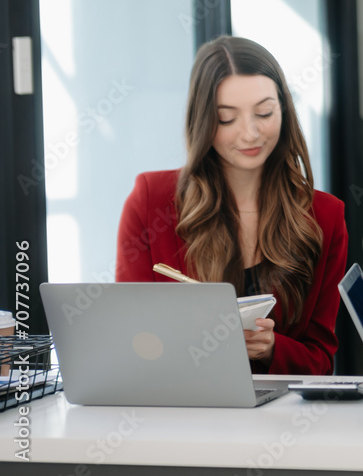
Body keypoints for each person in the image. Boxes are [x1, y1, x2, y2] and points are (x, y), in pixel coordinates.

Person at [116, 36, 347, 376]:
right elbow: (128, 337)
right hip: (179, 409)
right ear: (204, 122)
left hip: (280, 421)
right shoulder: (150, 201)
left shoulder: (324, 216)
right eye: (227, 119)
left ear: (283, 107)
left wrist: (272, 348)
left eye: (264, 112)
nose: (250, 133)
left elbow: (321, 360)